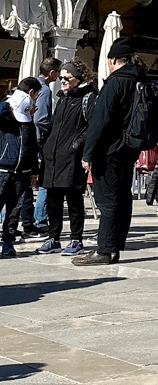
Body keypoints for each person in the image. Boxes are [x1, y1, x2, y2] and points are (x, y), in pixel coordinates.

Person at [76, 39, 145, 266]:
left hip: (110, 149)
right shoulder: (139, 81)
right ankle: (115, 247)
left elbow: (100, 120)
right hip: (130, 148)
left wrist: (88, 153)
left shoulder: (115, 83)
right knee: (123, 197)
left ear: (112, 60)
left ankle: (104, 250)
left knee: (107, 200)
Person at [37, 62, 94, 256]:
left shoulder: (87, 98)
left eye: (67, 78)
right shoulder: (61, 98)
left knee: (74, 199)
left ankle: (76, 240)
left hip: (71, 156)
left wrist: (76, 146)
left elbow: (92, 127)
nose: (62, 81)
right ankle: (53, 238)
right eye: (61, 77)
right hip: (53, 156)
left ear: (79, 77)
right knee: (53, 200)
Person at [0, 81, 42, 255]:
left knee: (14, 210)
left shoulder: (28, 123)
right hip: (3, 169)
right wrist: (8, 105)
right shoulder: (4, 117)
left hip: (22, 172)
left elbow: (31, 147)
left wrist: (33, 170)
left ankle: (8, 242)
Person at [32, 55, 62, 231]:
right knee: (45, 181)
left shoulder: (31, 85)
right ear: (51, 72)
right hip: (40, 142)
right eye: (57, 73)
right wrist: (50, 133)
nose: (58, 77)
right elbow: (41, 119)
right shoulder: (44, 90)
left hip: (29, 141)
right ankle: (40, 219)